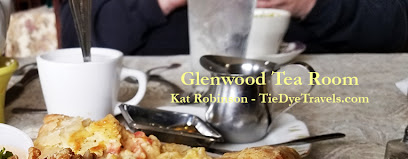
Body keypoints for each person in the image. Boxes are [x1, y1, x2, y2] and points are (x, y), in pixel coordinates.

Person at [59, 0, 408, 54]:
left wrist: (308, 4)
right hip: (159, 114)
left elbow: (397, 25)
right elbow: (80, 39)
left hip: (302, 96)